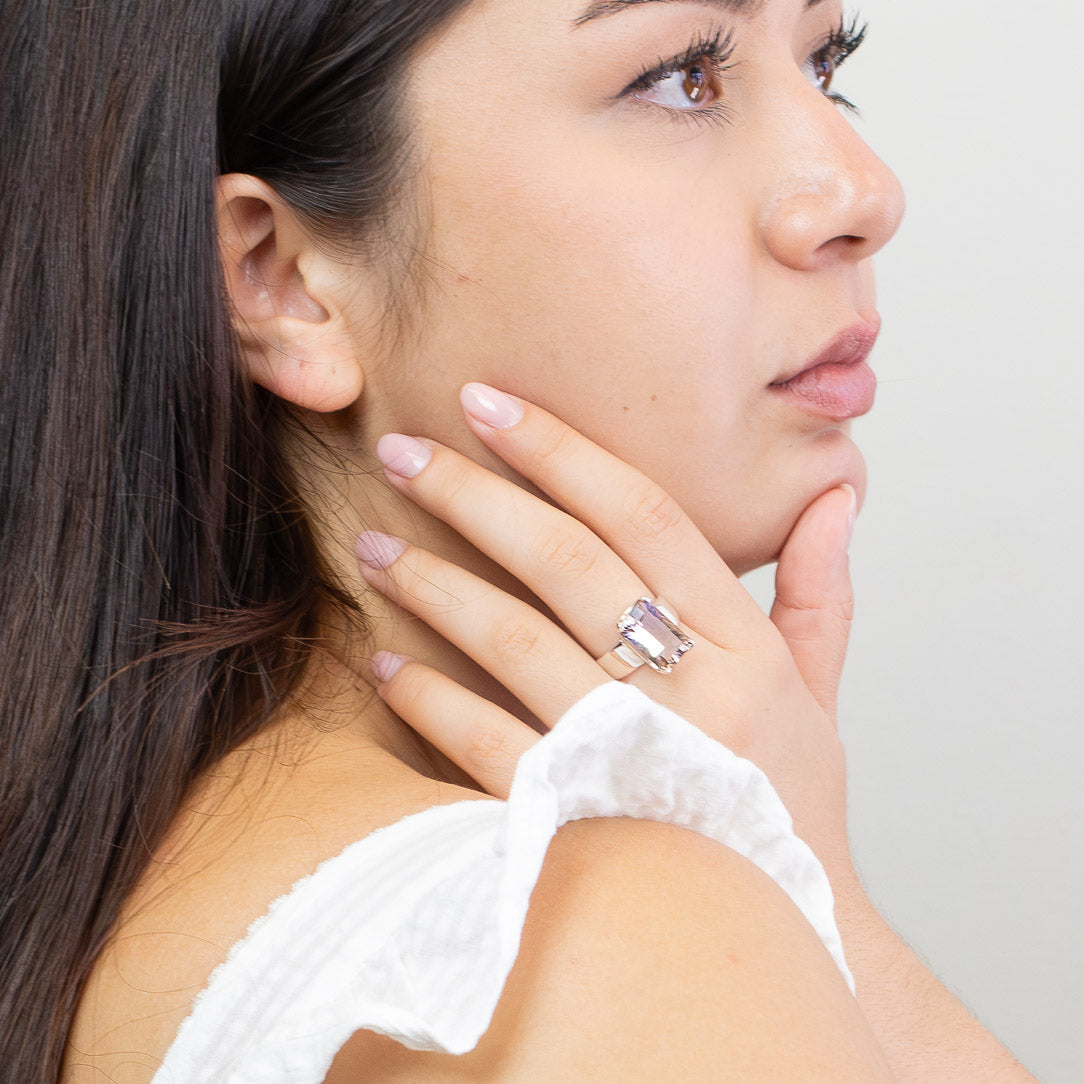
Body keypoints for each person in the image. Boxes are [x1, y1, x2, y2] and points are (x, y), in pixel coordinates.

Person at [0, 0, 1039, 1080]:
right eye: (681, 75)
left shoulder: (113, 893)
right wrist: (819, 904)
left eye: (825, 62)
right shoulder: (610, 949)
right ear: (282, 282)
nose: (866, 193)